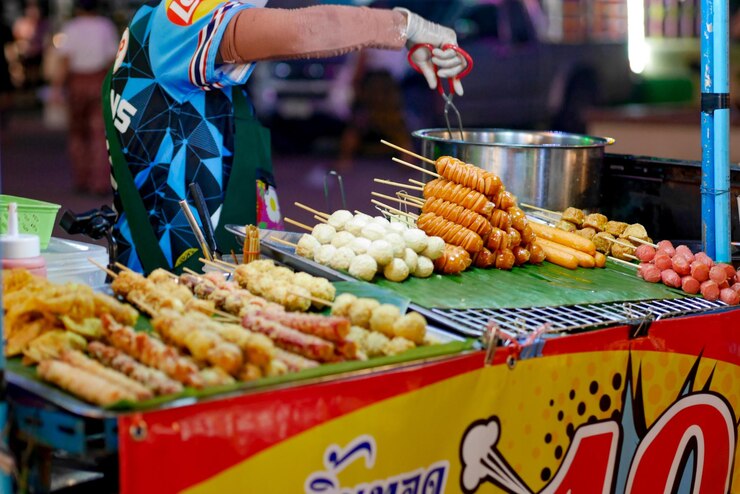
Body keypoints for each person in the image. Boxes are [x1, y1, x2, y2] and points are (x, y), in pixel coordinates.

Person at [105, 1, 468, 273]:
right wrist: (404, 26)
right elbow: (303, 29)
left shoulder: (170, 28)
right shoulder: (176, 18)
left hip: (218, 271)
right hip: (172, 278)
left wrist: (395, 36)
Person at [53, 0, 120, 195]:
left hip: (77, 82)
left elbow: (65, 59)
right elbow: (111, 59)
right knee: (100, 133)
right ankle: (99, 182)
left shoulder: (71, 27)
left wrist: (56, 88)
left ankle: (81, 178)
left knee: (77, 132)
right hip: (99, 80)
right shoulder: (105, 26)